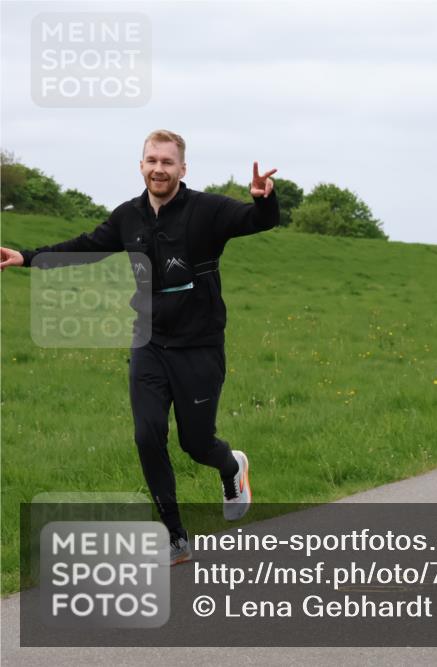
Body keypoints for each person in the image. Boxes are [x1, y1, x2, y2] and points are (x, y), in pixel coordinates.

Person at [0, 130, 278, 565]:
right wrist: (28, 256)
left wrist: (263, 199)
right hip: (149, 343)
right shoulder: (128, 216)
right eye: (152, 160)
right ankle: (174, 536)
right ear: (141, 165)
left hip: (199, 347)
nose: (158, 168)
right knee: (148, 435)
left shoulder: (207, 210)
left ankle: (231, 467)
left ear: (182, 169)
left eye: (168, 162)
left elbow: (259, 221)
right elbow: (88, 247)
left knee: (196, 443)